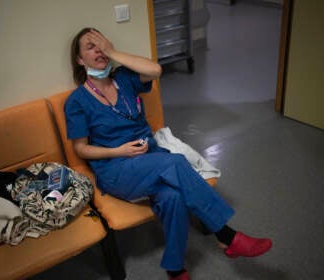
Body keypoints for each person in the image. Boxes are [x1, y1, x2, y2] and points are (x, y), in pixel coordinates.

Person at [64, 27, 272, 280]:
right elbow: (81, 148)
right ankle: (227, 236)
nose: (98, 50)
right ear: (79, 60)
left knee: (172, 197)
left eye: (101, 44)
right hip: (116, 169)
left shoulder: (124, 78)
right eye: (90, 46)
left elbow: (156, 70)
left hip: (150, 158)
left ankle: (175, 268)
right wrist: (118, 150)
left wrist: (114, 52)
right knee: (174, 162)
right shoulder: (76, 101)